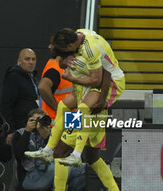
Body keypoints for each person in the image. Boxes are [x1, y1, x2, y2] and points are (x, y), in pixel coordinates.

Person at [26, 28, 125, 167]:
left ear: (71, 46)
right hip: (85, 89)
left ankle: (76, 154)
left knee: (88, 154)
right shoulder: (78, 37)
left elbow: (102, 77)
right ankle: (49, 150)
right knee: (63, 108)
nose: (50, 48)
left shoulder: (90, 50)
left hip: (105, 84)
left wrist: (102, 99)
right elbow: (62, 62)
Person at [39, 108, 128, 191]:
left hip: (79, 114)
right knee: (92, 157)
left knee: (60, 152)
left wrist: (62, 114)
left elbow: (72, 99)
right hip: (98, 116)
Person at [11, 108, 85, 191]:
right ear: (29, 121)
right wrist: (27, 131)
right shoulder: (20, 133)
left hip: (49, 171)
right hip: (30, 176)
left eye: (42, 119)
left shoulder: (52, 133)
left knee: (82, 168)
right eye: (36, 120)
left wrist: (46, 136)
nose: (39, 123)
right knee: (58, 167)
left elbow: (61, 153)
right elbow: (18, 154)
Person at [0, 48, 39, 138]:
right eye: (27, 59)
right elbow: (6, 105)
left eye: (33, 59)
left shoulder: (33, 78)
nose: (31, 62)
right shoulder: (13, 77)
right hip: (20, 128)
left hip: (34, 127)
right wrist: (11, 130)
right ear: (19, 61)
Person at [38, 44, 73, 124]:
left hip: (70, 121)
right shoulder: (55, 69)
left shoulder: (65, 68)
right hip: (57, 122)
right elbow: (42, 87)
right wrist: (58, 109)